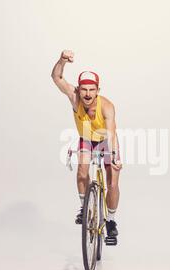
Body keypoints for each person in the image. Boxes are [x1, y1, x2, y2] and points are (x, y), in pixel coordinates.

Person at [51, 50, 122, 240]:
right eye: (84, 89)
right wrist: (62, 60)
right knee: (82, 170)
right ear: (78, 89)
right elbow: (57, 77)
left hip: (107, 140)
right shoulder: (74, 98)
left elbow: (111, 132)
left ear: (98, 90)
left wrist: (114, 155)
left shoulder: (106, 106)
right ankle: (84, 208)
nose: (87, 94)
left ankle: (111, 221)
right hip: (87, 140)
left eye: (92, 90)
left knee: (112, 182)